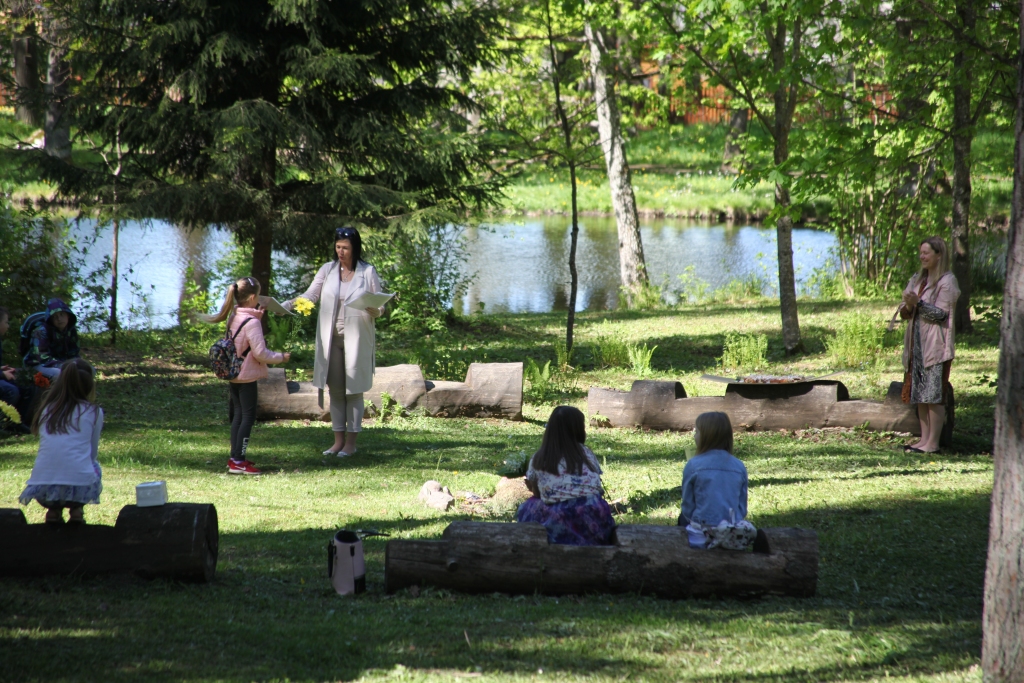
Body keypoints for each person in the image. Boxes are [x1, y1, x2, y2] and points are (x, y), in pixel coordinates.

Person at [282, 226, 385, 457]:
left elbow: (380, 303)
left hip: (357, 339)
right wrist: (288, 305)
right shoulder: (328, 270)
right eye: (338, 247)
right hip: (331, 340)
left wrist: (378, 311)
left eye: (345, 248)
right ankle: (338, 442)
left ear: (355, 248)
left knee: (354, 390)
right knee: (336, 391)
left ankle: (351, 444)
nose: (341, 252)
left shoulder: (367, 272)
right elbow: (311, 294)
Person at [201, 276, 290, 475]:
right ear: (252, 298)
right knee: (248, 417)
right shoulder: (252, 323)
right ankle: (239, 462)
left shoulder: (235, 315)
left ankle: (235, 458)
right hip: (247, 375)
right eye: (258, 296)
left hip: (233, 372)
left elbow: (243, 335)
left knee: (238, 416)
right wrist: (281, 358)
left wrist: (256, 317)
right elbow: (261, 353)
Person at [516, 405, 616, 546]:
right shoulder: (586, 454)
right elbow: (595, 482)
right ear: (579, 430)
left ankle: (536, 544)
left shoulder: (540, 457)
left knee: (527, 507)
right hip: (593, 511)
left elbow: (538, 494)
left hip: (558, 516)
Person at [19, 358, 103, 524]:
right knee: (94, 466)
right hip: (79, 490)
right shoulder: (94, 412)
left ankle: (53, 511)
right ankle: (77, 510)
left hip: (43, 490)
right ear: (89, 385)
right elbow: (92, 454)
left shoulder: (47, 409)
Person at [899, 236, 960, 454]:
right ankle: (923, 440)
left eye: (927, 253)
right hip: (916, 345)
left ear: (939, 255)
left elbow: (942, 314)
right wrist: (907, 304)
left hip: (936, 345)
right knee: (920, 393)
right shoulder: (918, 278)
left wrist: (919, 303)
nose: (922, 256)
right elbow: (906, 313)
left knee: (934, 395)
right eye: (921, 252)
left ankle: (933, 443)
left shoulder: (947, 281)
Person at [678, 411, 756, 550]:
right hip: (731, 533)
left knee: (682, 519)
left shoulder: (693, 465)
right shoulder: (739, 466)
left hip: (700, 535)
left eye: (697, 432)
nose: (694, 436)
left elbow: (687, 508)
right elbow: (742, 509)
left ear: (706, 436)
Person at [24, 298, 81, 379]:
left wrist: (77, 364)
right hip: (38, 364)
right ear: (51, 320)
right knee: (60, 375)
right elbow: (43, 358)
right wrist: (65, 366)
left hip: (62, 363)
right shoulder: (41, 332)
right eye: (55, 317)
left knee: (88, 370)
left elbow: (74, 353)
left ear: (68, 315)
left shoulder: (71, 330)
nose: (59, 319)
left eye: (62, 314)